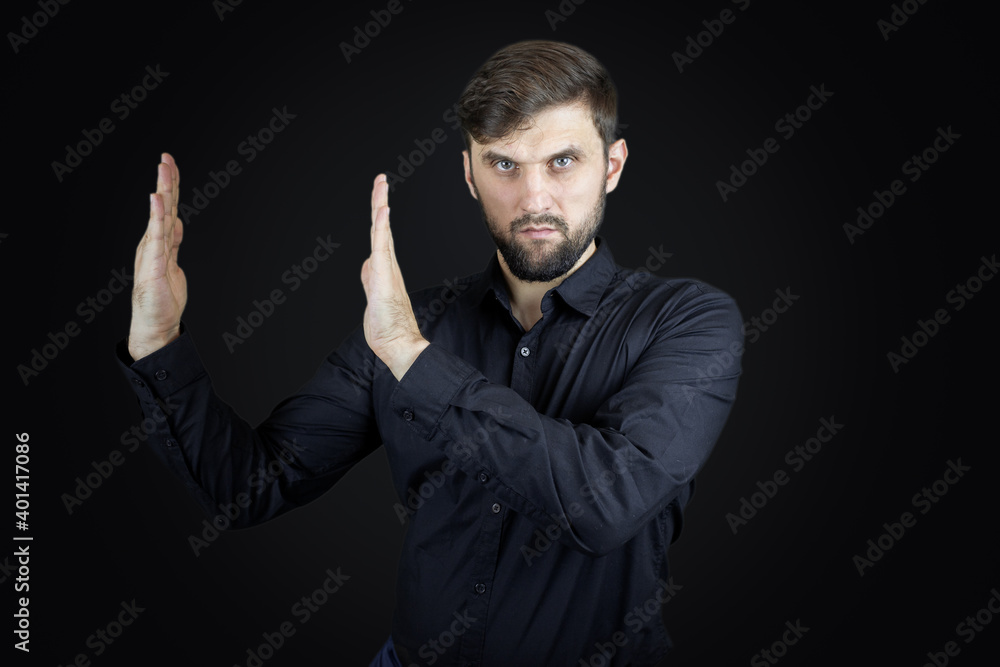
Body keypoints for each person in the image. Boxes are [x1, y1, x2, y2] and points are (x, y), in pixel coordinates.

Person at [116, 40, 743, 666]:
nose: (533, 200)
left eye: (562, 161)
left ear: (611, 165)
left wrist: (411, 358)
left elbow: (606, 502)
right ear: (469, 175)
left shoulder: (688, 321)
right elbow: (247, 488)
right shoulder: (412, 324)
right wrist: (158, 341)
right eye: (503, 165)